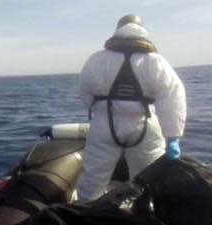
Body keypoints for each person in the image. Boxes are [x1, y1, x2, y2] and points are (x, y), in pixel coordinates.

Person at [76, 14, 187, 202]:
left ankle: (85, 217)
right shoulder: (156, 61)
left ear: (117, 29)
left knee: (93, 178)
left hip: (105, 124)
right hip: (144, 126)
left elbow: (84, 92)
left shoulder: (96, 60)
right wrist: (172, 136)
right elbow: (173, 97)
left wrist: (99, 111)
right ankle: (142, 219)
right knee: (147, 179)